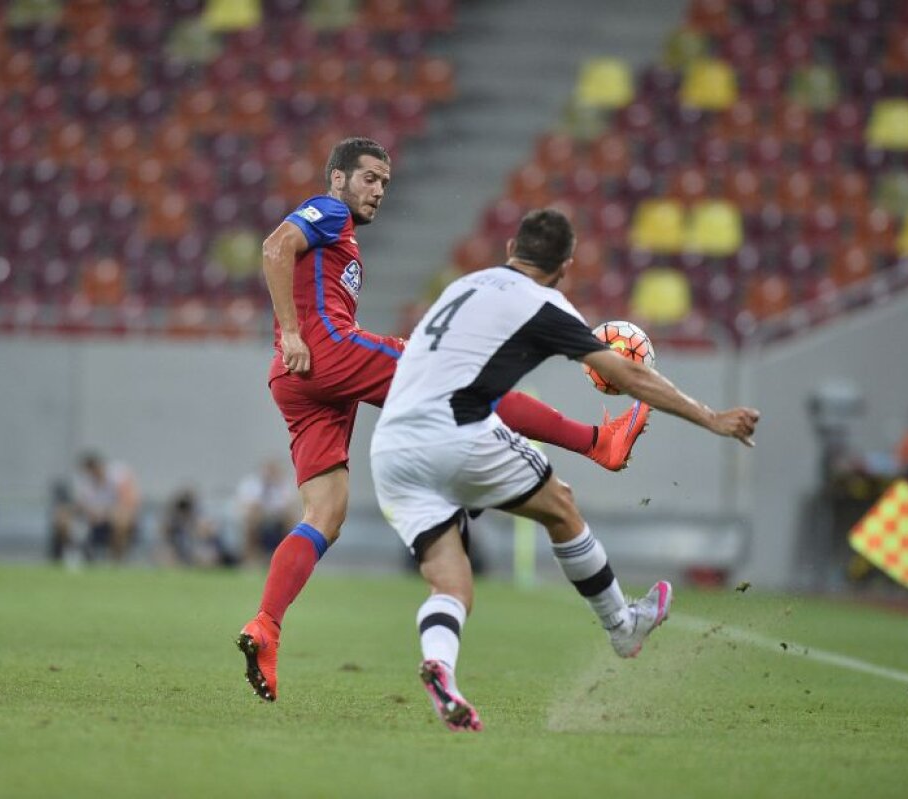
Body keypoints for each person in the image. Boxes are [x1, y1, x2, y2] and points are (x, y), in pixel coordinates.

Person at [236, 137, 652, 702]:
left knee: (325, 514)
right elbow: (274, 246)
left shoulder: (343, 236)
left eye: (384, 181)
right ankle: (598, 442)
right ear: (337, 178)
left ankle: (266, 624)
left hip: (297, 383)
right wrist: (290, 331)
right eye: (368, 178)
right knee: (464, 378)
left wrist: (292, 340)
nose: (378, 190)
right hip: (323, 351)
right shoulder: (329, 210)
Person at [370, 208, 760, 731]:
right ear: (566, 267)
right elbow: (629, 374)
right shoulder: (545, 305)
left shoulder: (465, 284)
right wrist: (711, 417)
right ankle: (624, 625)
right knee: (561, 504)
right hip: (455, 432)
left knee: (451, 584)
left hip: (390, 448)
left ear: (512, 245)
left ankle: (442, 668)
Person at [51, 452, 141, 564]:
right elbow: (79, 505)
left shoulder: (118, 475)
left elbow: (129, 501)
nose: (93, 474)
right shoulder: (84, 481)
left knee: (121, 517)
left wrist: (105, 513)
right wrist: (89, 512)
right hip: (90, 518)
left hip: (112, 517)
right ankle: (69, 556)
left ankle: (117, 561)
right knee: (61, 515)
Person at [235, 459, 297, 564]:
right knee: (251, 519)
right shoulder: (251, 484)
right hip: (258, 519)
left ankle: (287, 558)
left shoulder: (284, 486)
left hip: (278, 519)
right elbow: (246, 505)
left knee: (289, 519)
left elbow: (288, 506)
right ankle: (251, 559)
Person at [160, 488, 239, 568]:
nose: (184, 512)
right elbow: (165, 535)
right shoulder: (175, 524)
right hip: (185, 553)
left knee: (206, 556)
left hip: (202, 551)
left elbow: (209, 535)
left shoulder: (199, 519)